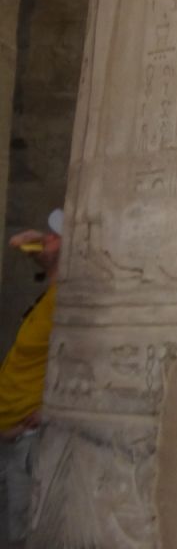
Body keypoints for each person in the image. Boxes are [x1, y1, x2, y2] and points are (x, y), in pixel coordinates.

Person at [0, 210, 62, 546]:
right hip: (11, 438)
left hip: (29, 440)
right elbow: (18, 242)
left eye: (55, 235)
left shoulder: (66, 298)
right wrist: (39, 241)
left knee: (25, 537)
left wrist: (49, 410)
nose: (46, 237)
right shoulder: (47, 297)